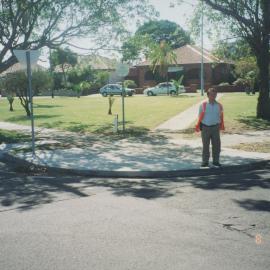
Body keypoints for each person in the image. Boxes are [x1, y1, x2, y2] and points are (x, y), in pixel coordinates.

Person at [195, 88, 225, 168]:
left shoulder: (219, 105)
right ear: (208, 95)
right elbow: (200, 116)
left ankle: (216, 161)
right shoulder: (203, 105)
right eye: (211, 94)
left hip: (215, 128)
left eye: (215, 95)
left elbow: (221, 116)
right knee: (205, 146)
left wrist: (221, 125)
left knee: (216, 145)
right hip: (205, 128)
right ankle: (205, 162)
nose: (213, 96)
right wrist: (198, 125)